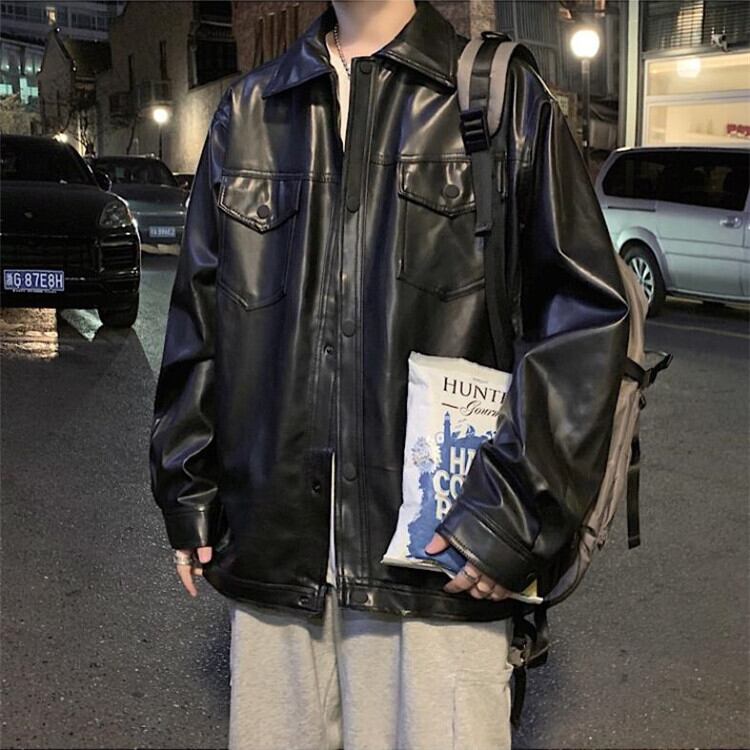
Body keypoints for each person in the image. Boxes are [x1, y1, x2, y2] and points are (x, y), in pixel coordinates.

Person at [148, 1, 630, 749]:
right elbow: (201, 322)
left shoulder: (497, 100)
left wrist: (512, 515)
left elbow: (584, 322)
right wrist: (186, 488)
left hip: (440, 568)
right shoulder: (250, 110)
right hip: (277, 560)